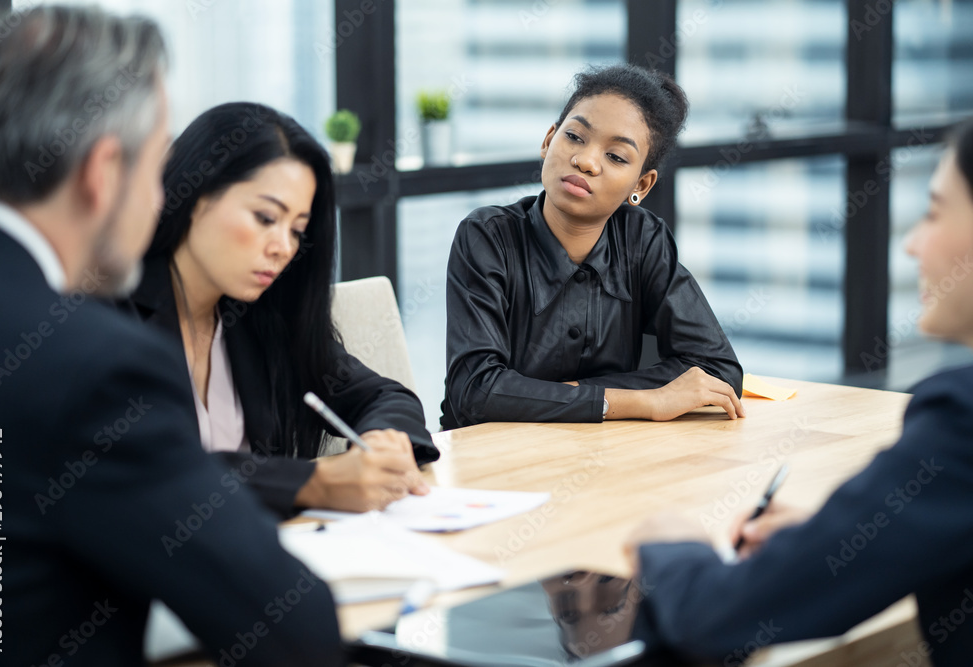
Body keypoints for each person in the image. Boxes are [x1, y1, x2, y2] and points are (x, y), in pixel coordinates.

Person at [0, 7, 342, 665]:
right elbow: (292, 625)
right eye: (154, 168)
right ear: (102, 170)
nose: (157, 199)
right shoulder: (90, 362)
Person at [625, 119, 973, 666]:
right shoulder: (492, 235)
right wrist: (826, 541)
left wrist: (672, 546)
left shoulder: (962, 418)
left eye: (933, 212)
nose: (912, 244)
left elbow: (717, 618)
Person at [123, 102, 438, 517]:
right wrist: (316, 484)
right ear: (196, 196)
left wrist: (381, 441)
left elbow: (384, 395)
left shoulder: (260, 317)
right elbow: (145, 465)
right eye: (265, 217)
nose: (283, 247)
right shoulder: (109, 311)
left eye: (297, 230)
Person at [441, 64, 744, 430]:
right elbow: (475, 391)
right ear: (548, 140)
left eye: (615, 157)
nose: (585, 161)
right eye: (574, 137)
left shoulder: (643, 239)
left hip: (602, 456)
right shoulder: (486, 236)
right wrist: (644, 400)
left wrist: (551, 396)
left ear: (642, 185)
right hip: (490, 463)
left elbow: (717, 370)